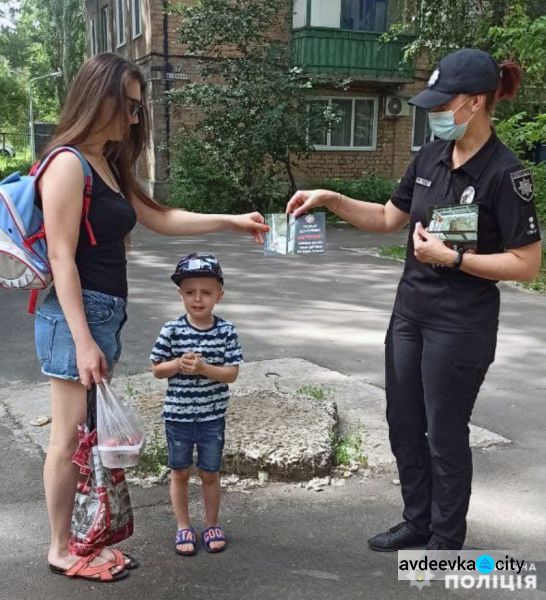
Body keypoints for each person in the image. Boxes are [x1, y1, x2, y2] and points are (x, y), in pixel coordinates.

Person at [286, 48, 542, 551]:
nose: (433, 113)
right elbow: (387, 218)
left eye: (442, 104)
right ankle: (417, 521)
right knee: (403, 424)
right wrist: (331, 199)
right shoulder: (429, 157)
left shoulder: (505, 175)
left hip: (460, 324)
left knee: (444, 435)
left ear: (473, 103)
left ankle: (445, 543)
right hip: (410, 314)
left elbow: (526, 263)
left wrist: (455, 259)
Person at [34, 52, 267, 582]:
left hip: (101, 315)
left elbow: (160, 218)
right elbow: (60, 258)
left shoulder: (106, 164)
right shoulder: (68, 163)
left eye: (140, 108)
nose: (136, 118)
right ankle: (60, 549)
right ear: (102, 98)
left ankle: (79, 540)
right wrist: (83, 340)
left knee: (84, 439)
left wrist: (229, 221)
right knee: (67, 439)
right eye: (132, 106)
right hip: (77, 317)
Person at [150, 253, 242, 555]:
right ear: (181, 294)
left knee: (210, 472)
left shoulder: (226, 331)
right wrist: (178, 363)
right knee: (179, 471)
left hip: (212, 417)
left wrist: (204, 369)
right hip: (177, 416)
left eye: (206, 292)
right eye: (190, 292)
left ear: (219, 294)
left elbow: (231, 374)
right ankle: (183, 526)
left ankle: (212, 523)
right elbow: (157, 368)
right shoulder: (172, 330)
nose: (198, 299)